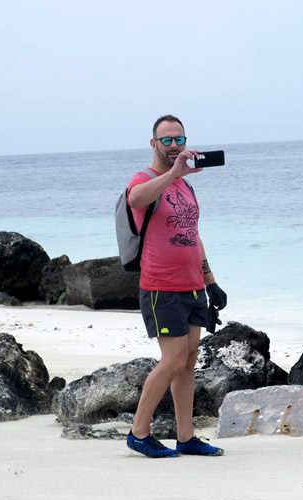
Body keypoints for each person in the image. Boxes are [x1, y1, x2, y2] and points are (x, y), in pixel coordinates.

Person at [125, 115, 228, 457]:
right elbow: (136, 199)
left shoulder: (186, 187)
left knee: (188, 362)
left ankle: (186, 437)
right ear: (153, 143)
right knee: (172, 360)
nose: (173, 146)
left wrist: (211, 282)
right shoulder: (145, 179)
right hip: (161, 287)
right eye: (166, 140)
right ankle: (139, 433)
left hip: (193, 286)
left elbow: (193, 236)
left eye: (179, 140)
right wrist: (173, 173)